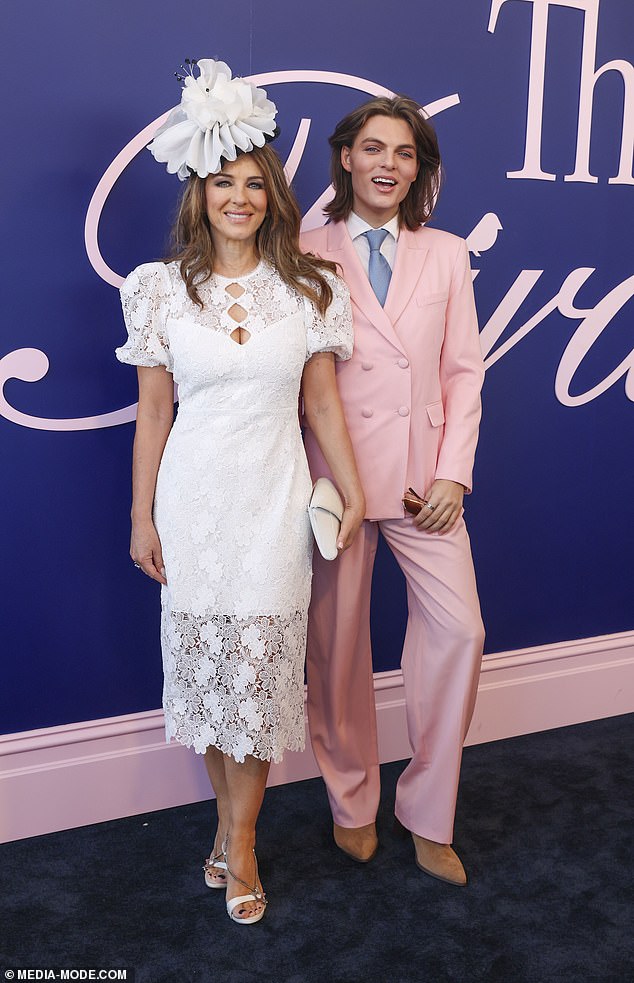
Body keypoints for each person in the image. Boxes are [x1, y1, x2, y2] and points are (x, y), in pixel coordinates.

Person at [115, 59, 365, 923]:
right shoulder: (158, 291)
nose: (239, 198)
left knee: (257, 683)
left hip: (274, 503)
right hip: (193, 504)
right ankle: (229, 831)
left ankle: (243, 841)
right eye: (223, 182)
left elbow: (323, 401)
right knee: (213, 683)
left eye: (254, 184)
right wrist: (142, 513)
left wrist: (352, 487)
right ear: (199, 192)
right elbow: (153, 415)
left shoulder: (311, 287)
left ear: (273, 196)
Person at [300, 96, 485, 886]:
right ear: (346, 157)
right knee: (337, 652)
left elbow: (462, 370)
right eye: (373, 148)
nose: (388, 164)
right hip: (334, 480)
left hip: (422, 482)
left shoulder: (446, 251)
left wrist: (453, 472)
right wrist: (320, 483)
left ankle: (428, 813)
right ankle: (351, 803)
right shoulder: (302, 249)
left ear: (419, 168)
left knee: (461, 632)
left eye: (404, 154)